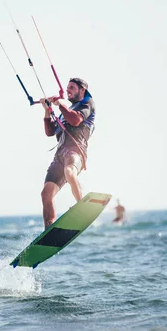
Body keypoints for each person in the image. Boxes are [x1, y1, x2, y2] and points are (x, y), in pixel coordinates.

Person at [39, 77, 96, 229]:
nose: (68, 90)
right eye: (67, 87)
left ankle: (82, 206)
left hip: (76, 150)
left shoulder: (87, 104)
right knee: (46, 193)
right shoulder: (65, 113)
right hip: (60, 154)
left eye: (72, 87)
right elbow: (50, 132)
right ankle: (49, 229)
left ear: (82, 90)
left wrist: (60, 104)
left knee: (69, 170)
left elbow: (75, 121)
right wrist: (47, 110)